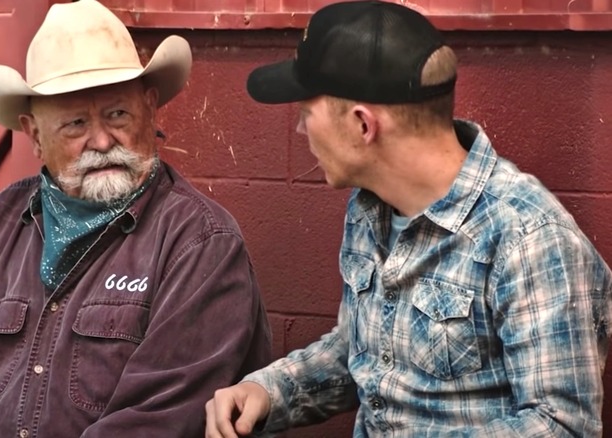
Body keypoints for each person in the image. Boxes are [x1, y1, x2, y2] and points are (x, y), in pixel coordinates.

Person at [205, 1, 612, 437]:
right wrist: (271, 390)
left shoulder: (529, 238)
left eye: (307, 115)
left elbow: (561, 426)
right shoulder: (369, 208)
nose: (302, 133)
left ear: (363, 126)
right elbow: (366, 352)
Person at [0, 1, 272, 436]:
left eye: (118, 113)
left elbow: (158, 422)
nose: (101, 140)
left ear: (150, 107)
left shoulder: (200, 242)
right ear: (35, 135)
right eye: (75, 124)